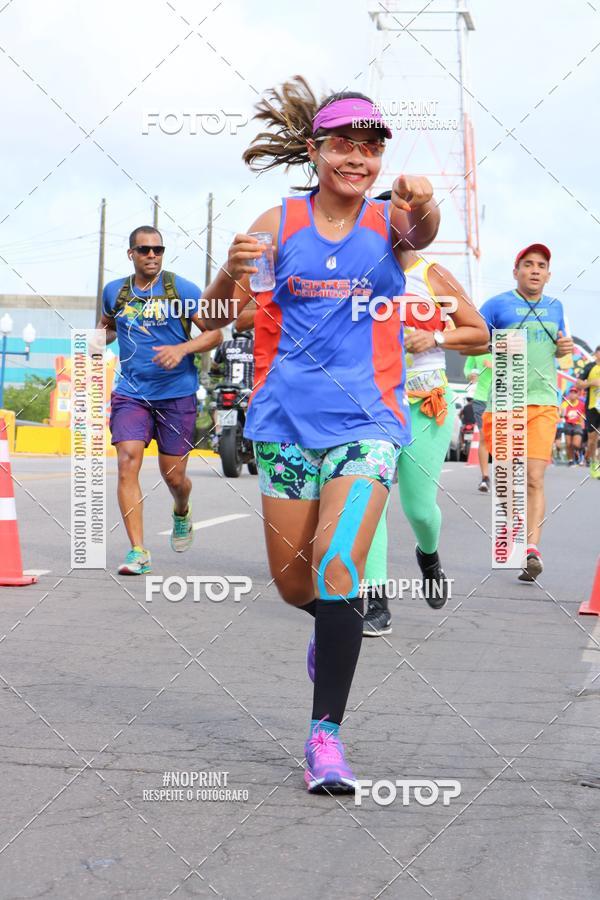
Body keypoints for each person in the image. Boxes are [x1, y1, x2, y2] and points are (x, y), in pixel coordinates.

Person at [200, 77, 440, 792]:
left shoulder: (389, 225)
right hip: (283, 425)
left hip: (368, 424)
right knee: (292, 584)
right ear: (317, 150)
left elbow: (420, 233)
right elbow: (213, 313)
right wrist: (226, 270)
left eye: (371, 148)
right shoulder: (275, 227)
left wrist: (422, 204)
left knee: (340, 568)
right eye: (345, 145)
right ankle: (329, 630)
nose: (359, 158)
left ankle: (324, 738)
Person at [362, 249, 489, 636]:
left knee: (419, 509)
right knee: (370, 501)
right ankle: (376, 602)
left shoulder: (431, 275)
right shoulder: (359, 271)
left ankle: (429, 557)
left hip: (426, 405)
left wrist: (435, 335)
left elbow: (481, 334)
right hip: (372, 405)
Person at [98, 226, 222, 574]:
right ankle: (138, 551)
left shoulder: (181, 289)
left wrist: (181, 348)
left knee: (174, 476)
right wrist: (92, 342)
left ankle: (182, 509)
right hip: (131, 392)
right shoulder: (116, 291)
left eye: (158, 250)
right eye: (144, 250)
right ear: (131, 254)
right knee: (127, 460)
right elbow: (107, 326)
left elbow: (214, 332)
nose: (152, 255)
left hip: (176, 394)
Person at [474, 243, 574, 582]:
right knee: (508, 482)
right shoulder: (497, 305)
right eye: (528, 264)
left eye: (541, 265)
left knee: (533, 477)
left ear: (548, 274)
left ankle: (531, 549)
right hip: (505, 398)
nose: (534, 270)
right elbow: (472, 336)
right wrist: (486, 347)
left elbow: (561, 351)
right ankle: (515, 533)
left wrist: (564, 349)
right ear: (515, 271)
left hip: (544, 401)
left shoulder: (556, 307)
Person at [463, 352, 493, 490]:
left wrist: (495, 366)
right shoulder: (478, 348)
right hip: (481, 398)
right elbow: (468, 367)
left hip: (503, 397)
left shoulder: (505, 341)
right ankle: (485, 478)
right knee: (484, 437)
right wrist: (470, 375)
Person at [578, 345, 600, 478]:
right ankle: (593, 463)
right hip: (592, 406)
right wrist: (591, 382)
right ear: (597, 353)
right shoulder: (589, 367)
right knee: (592, 439)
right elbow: (578, 384)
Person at [561, 386, 586, 465]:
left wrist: (583, 425)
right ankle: (571, 460)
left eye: (574, 393)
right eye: (571, 392)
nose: (572, 394)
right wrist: (561, 413)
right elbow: (560, 413)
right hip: (568, 424)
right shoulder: (565, 403)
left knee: (576, 444)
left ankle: (579, 451)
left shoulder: (581, 404)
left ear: (577, 395)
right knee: (568, 444)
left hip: (577, 425)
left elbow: (583, 415)